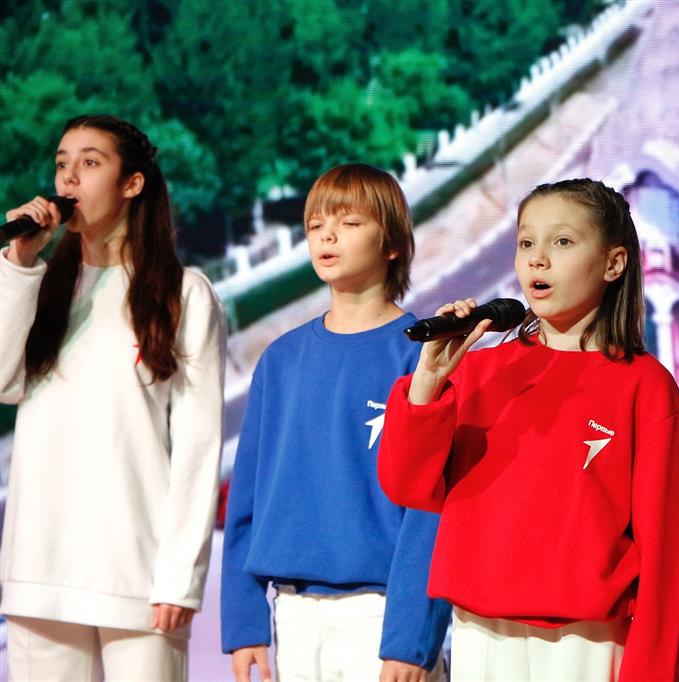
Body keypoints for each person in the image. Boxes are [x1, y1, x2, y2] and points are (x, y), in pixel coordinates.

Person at [378, 178, 679, 681]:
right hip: (480, 635)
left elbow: (665, 561)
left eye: (562, 241)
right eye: (526, 242)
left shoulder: (646, 388)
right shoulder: (479, 372)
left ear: (614, 263)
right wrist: (428, 382)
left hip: (584, 644)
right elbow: (407, 485)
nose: (537, 260)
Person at [0, 114, 226, 681]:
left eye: (90, 162)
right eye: (61, 163)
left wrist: (180, 578)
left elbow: (198, 448)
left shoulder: (183, 294)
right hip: (39, 572)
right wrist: (19, 265)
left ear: (132, 183)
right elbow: (3, 381)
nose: (69, 177)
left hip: (137, 578)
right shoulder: (38, 285)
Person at [220, 163, 450, 682]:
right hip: (295, 615)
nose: (327, 234)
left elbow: (431, 510)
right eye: (316, 224)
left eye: (348, 222)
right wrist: (245, 622)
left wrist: (411, 636)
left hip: (385, 615)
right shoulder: (280, 361)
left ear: (393, 244)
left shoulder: (424, 356)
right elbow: (247, 499)